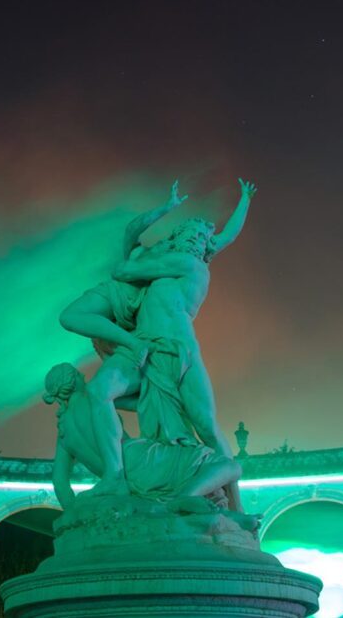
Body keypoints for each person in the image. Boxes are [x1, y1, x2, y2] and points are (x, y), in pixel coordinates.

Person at [84, 178, 256, 512]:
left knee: (206, 423)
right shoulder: (169, 267)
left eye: (200, 238)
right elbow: (131, 232)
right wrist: (167, 207)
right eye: (189, 234)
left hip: (181, 354)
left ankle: (236, 509)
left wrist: (245, 202)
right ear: (177, 238)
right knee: (101, 393)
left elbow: (123, 267)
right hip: (146, 352)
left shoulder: (189, 264)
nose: (196, 240)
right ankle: (117, 474)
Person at [44, 363, 241, 512]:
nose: (83, 376)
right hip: (142, 460)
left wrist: (73, 514)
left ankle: (190, 499)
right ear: (73, 380)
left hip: (134, 482)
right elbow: (141, 403)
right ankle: (184, 497)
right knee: (229, 466)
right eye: (79, 375)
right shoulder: (96, 397)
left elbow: (60, 483)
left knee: (212, 475)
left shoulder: (64, 434)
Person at [57, 180, 187, 362]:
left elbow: (221, 241)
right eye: (164, 241)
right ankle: (134, 344)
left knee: (71, 317)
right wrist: (167, 207)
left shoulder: (175, 267)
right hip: (116, 294)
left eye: (171, 245)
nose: (165, 243)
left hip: (136, 311)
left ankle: (134, 344)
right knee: (69, 317)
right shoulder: (139, 253)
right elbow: (132, 229)